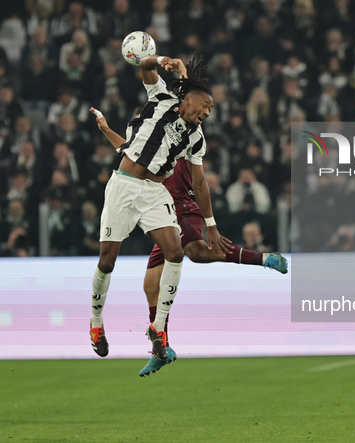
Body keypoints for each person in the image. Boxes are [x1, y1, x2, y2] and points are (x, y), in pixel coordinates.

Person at [91, 110, 287, 378]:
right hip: (159, 212)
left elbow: (197, 176)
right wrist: (105, 130)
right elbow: (127, 151)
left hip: (180, 206)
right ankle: (162, 348)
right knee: (150, 285)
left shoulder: (178, 134)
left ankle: (264, 259)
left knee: (195, 252)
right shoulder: (145, 139)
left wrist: (210, 222)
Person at [88, 53, 226, 363]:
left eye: (211, 109)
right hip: (123, 186)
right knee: (107, 261)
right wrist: (160, 58)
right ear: (187, 100)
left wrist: (211, 224)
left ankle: (159, 330)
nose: (208, 111)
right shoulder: (162, 95)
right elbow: (145, 67)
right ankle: (96, 324)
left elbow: (200, 184)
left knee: (175, 253)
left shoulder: (196, 138)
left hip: (154, 192)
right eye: (205, 105)